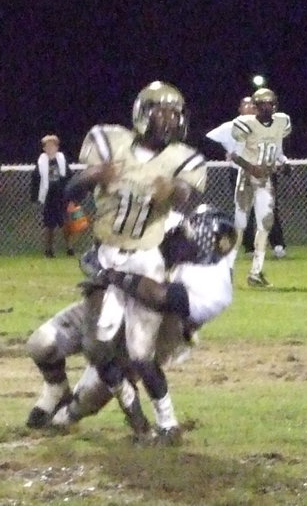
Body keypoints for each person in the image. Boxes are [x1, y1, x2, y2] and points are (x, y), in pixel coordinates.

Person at [62, 80, 207, 441]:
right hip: (107, 257)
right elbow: (68, 193)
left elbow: (187, 198)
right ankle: (135, 417)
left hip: (145, 262)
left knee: (143, 355)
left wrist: (173, 191)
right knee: (99, 348)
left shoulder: (183, 158)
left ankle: (168, 424)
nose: (170, 120)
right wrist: (92, 175)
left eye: (175, 113)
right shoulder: (109, 142)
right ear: (143, 114)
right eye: (162, 112)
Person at [25, 206, 236, 440]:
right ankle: (56, 391)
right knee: (41, 344)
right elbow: (95, 255)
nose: (192, 254)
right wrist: (100, 273)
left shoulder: (215, 288)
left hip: (164, 327)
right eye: (190, 243)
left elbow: (158, 297)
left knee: (90, 396)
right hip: (113, 298)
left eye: (199, 253)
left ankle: (73, 414)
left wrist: (112, 274)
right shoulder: (158, 222)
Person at [205, 96, 289, 259]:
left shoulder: (264, 125)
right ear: (239, 109)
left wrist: (284, 161)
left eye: (253, 104)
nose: (250, 106)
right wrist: (224, 152)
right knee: (244, 211)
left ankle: (277, 245)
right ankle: (249, 247)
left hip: (264, 171)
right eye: (246, 104)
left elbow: (276, 149)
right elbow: (206, 139)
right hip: (240, 172)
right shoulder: (230, 126)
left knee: (269, 208)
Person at [231, 87, 292, 287]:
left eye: (269, 104)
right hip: (246, 178)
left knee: (265, 224)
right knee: (240, 224)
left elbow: (277, 151)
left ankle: (255, 272)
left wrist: (284, 163)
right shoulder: (245, 124)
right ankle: (228, 271)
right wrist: (251, 168)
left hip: (265, 178)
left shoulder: (281, 122)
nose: (267, 108)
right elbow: (234, 155)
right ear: (256, 107)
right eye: (263, 105)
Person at [30, 134, 76, 257]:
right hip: (48, 198)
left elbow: (70, 178)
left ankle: (70, 249)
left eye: (53, 145)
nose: (50, 148)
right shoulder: (41, 163)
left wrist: (72, 198)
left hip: (62, 196)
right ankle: (48, 250)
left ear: (57, 147)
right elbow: (35, 180)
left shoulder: (62, 161)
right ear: (44, 148)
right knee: (49, 225)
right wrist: (35, 199)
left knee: (66, 223)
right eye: (47, 146)